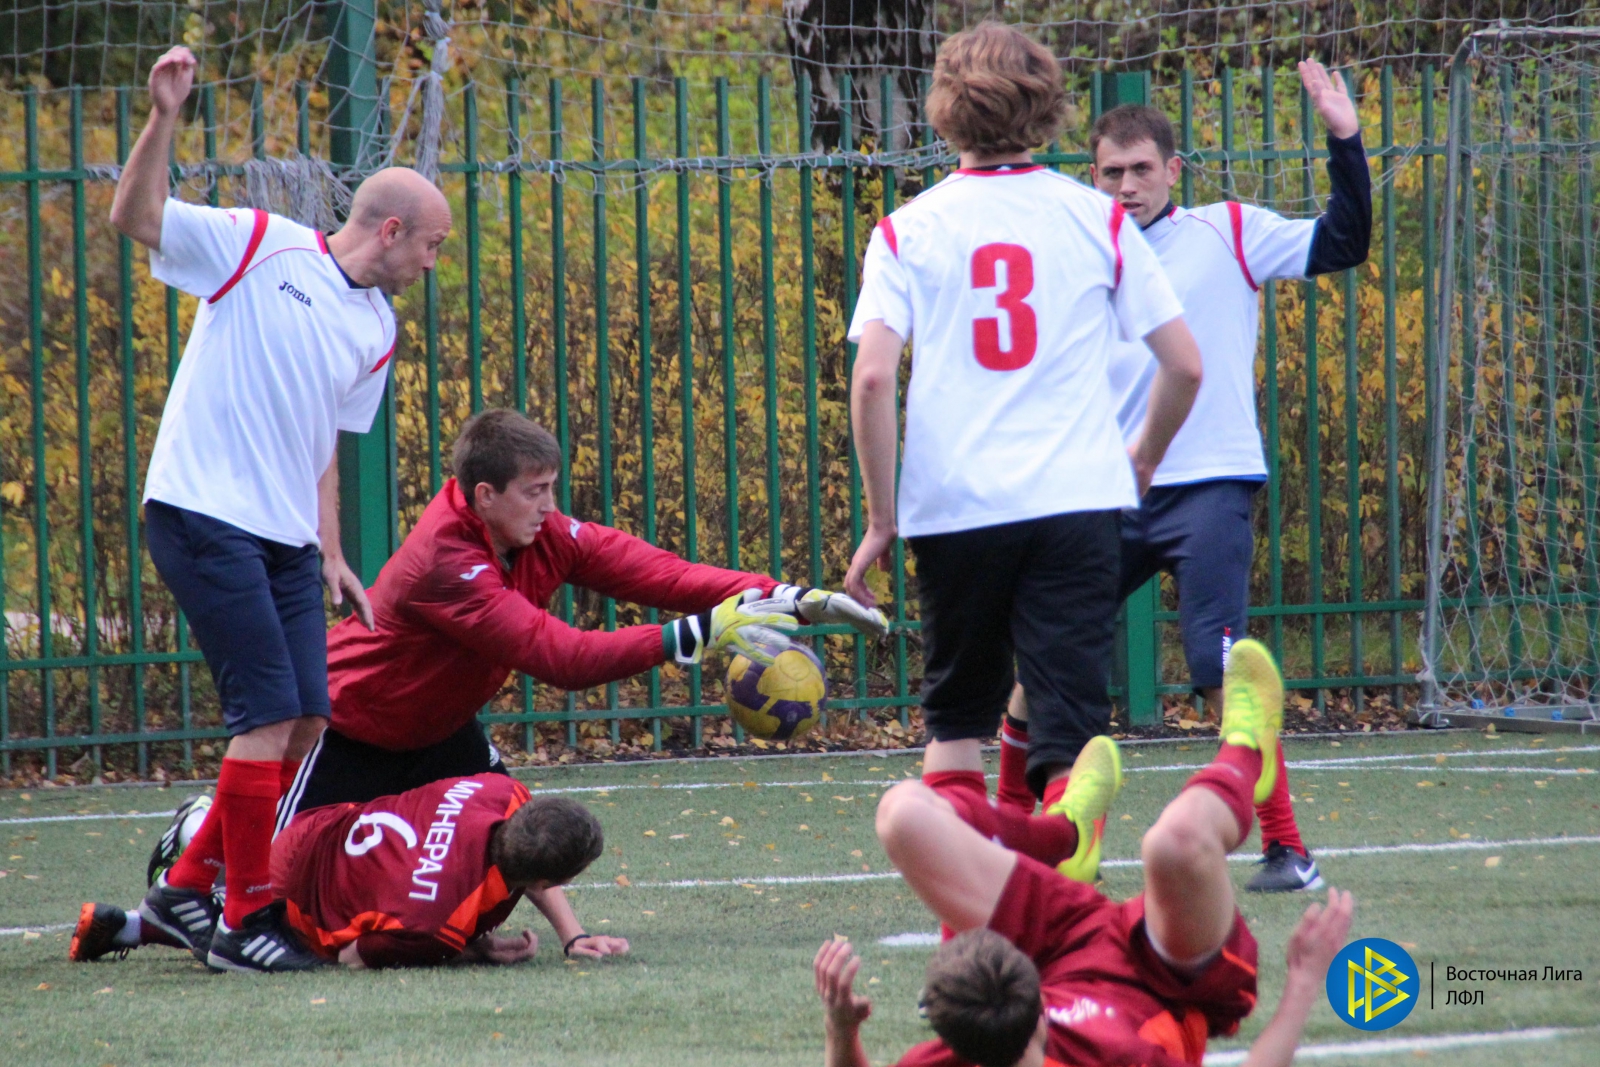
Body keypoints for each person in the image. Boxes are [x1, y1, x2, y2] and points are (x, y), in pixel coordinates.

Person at [114, 45, 452, 972]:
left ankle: (184, 890)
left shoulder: (375, 330)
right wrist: (163, 116)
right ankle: (245, 918)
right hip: (200, 510)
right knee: (263, 718)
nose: (433, 261)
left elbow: (324, 448)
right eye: (432, 244)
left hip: (288, 541)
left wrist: (334, 553)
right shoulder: (258, 244)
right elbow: (133, 214)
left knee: (307, 719)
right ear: (389, 231)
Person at [841, 22, 1203, 825]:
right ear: (1049, 111)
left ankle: (964, 910)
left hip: (955, 503)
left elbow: (872, 376)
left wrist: (880, 517)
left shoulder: (908, 229)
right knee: (1067, 730)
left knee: (957, 720)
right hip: (1076, 499)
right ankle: (1066, 893)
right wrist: (1141, 454)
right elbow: (1185, 365)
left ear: (943, 113)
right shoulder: (1098, 218)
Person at [1052, 58, 1366, 893]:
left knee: (1220, 669)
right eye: (1111, 172)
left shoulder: (1228, 229)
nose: (1126, 185)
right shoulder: (1077, 248)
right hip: (1110, 491)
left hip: (1212, 485)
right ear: (1094, 176)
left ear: (1173, 170)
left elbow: (1344, 240)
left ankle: (1288, 849)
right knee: (1048, 649)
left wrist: (1345, 137)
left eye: (1141, 169)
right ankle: (1057, 847)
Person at [815, 639, 1356, 1067]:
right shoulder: (1127, 1057)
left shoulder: (971, 1043)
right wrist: (1303, 984)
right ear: (1043, 1022)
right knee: (1176, 844)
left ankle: (1067, 835)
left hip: (1039, 960)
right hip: (1164, 974)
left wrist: (841, 1031)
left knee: (904, 815)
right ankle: (1248, 756)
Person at [72, 775, 626, 970]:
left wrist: (570, 935)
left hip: (318, 827)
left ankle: (128, 926)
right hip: (293, 903)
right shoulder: (440, 925)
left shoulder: (499, 791)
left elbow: (521, 859)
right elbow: (354, 957)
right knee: (244, 947)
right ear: (561, 878)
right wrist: (465, 950)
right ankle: (201, 831)